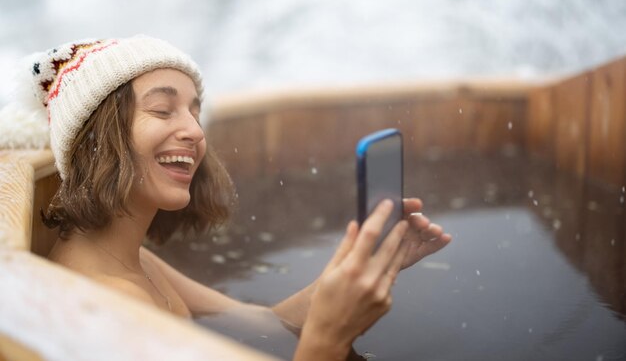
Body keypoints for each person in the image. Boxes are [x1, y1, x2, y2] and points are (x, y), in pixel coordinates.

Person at [3, 36, 451, 360]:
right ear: (98, 139)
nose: (196, 132)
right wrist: (330, 339)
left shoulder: (129, 261)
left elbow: (264, 322)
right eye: (163, 109)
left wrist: (353, 272)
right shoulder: (107, 307)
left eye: (195, 112)